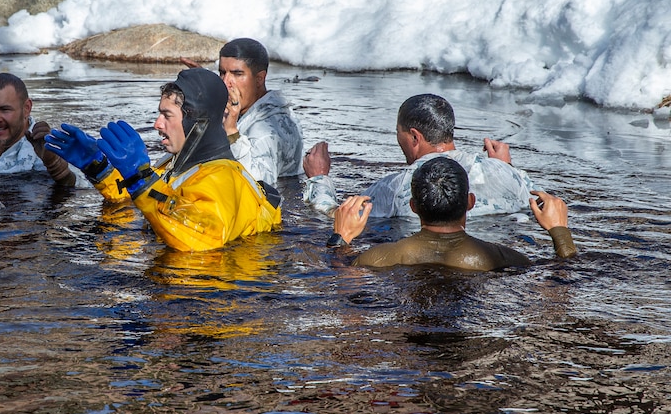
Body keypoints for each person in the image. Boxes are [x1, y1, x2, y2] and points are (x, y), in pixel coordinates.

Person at [44, 67, 281, 252]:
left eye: (167, 115)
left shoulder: (223, 178)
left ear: (196, 123)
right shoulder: (178, 165)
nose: (157, 124)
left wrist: (140, 177)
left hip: (209, 304)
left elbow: (200, 237)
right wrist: (98, 167)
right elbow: (139, 198)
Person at [303, 93, 537, 218]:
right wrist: (507, 168)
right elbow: (539, 203)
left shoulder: (398, 185)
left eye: (399, 133)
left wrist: (319, 178)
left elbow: (338, 216)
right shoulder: (503, 172)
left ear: (414, 137)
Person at [327, 156, 577, 270]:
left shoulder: (375, 259)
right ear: (470, 202)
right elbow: (564, 279)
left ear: (413, 207)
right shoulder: (505, 259)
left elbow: (339, 283)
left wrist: (340, 241)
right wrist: (560, 233)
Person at [182, 38, 304, 186]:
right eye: (222, 73)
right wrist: (207, 85)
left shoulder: (269, 130)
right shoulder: (244, 107)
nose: (225, 82)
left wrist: (232, 132)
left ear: (259, 79)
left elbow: (256, 184)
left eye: (237, 74)